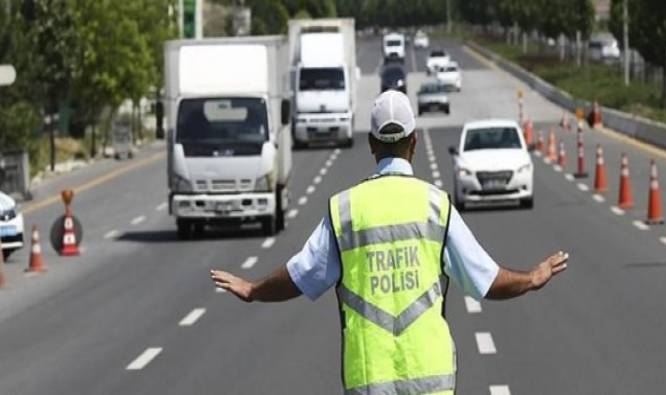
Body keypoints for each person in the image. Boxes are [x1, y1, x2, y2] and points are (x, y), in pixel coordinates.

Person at [211, 90, 569, 394]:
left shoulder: (346, 211)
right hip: (433, 381)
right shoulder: (435, 206)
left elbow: (301, 275)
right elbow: (486, 280)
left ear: (371, 143)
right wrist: (531, 279)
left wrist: (253, 288)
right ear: (414, 143)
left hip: (370, 380)